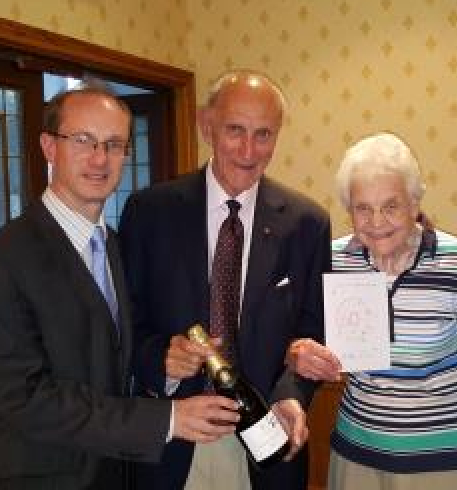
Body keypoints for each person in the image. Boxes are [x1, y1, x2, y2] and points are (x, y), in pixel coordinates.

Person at [0, 85, 240, 490]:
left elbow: (111, 356)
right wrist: (170, 419)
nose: (99, 158)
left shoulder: (113, 246)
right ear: (49, 147)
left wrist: (164, 360)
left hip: (113, 472)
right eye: (83, 140)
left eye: (114, 144)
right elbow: (25, 399)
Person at [118, 70, 332, 490]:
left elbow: (315, 329)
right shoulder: (149, 213)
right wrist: (159, 358)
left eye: (264, 134)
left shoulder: (307, 223)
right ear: (206, 125)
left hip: (269, 436)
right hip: (174, 435)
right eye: (235, 130)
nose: (249, 150)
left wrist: (292, 393)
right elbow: (126, 321)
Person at [286, 132, 457, 490]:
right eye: (363, 208)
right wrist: (297, 351)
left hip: (444, 460)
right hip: (357, 457)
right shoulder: (334, 260)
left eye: (391, 205)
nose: (377, 221)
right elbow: (301, 330)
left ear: (414, 202)